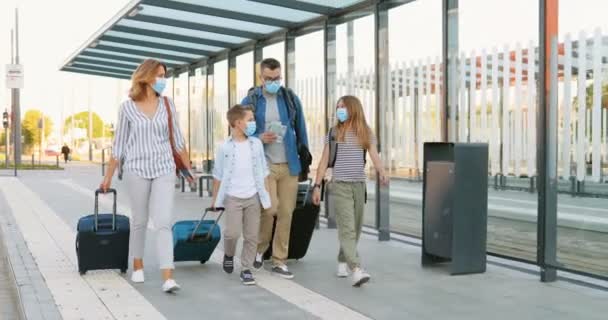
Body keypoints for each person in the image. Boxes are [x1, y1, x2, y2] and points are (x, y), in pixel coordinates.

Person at [100, 59, 193, 293]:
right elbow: (119, 145)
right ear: (146, 77)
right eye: (159, 75)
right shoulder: (128, 107)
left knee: (163, 221)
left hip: (164, 167)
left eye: (164, 75)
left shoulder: (168, 105)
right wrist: (108, 178)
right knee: (140, 220)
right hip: (136, 169)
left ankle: (168, 276)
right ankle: (137, 265)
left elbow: (179, 141)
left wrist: (189, 170)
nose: (163, 80)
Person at [241, 58, 309, 279]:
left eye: (277, 78)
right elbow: (238, 131)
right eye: (269, 79)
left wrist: (304, 161)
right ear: (261, 77)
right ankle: (260, 250)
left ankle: (280, 260)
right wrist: (259, 136)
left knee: (286, 213)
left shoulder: (289, 98)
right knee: (269, 210)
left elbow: (301, 130)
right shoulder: (251, 99)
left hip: (289, 163)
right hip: (265, 165)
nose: (273, 82)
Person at [311, 95, 388, 287]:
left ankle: (342, 260)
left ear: (353, 109)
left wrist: (382, 172)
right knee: (347, 227)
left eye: (343, 107)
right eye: (338, 107)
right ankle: (356, 269)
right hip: (340, 185)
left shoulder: (365, 132)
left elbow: (374, 156)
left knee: (356, 228)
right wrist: (317, 186)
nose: (339, 110)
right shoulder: (334, 133)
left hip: (359, 186)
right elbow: (323, 162)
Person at [211, 104, 271, 286]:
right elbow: (218, 175)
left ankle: (246, 269)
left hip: (253, 196)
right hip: (232, 197)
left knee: (252, 236)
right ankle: (228, 254)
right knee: (232, 233)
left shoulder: (257, 144)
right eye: (250, 120)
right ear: (238, 123)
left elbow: (263, 171)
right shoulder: (224, 148)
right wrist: (215, 200)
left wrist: (266, 196)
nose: (253, 123)